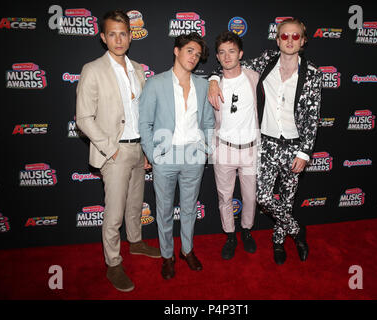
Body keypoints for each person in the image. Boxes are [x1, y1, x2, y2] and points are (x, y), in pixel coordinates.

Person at [208, 18, 322, 265]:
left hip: (294, 147)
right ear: (278, 38)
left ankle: (279, 242)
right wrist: (213, 79)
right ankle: (296, 230)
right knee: (263, 197)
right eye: (284, 36)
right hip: (267, 145)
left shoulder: (313, 73)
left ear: (302, 41)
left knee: (288, 199)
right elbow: (231, 64)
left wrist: (305, 152)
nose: (289, 41)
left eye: (295, 36)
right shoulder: (265, 63)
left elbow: (313, 116)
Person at [76, 10, 161, 292]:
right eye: (112, 33)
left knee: (136, 204)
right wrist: (110, 149)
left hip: (138, 148)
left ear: (130, 35)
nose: (118, 39)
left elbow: (145, 113)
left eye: (123, 33)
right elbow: (83, 118)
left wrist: (147, 149)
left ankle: (135, 242)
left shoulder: (138, 69)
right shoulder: (93, 70)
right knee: (114, 213)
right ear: (103, 37)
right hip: (114, 152)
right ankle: (113, 263)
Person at [139, 33, 215, 279]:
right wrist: (154, 155)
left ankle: (187, 250)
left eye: (197, 53)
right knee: (163, 211)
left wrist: (205, 150)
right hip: (165, 156)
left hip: (194, 155)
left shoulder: (202, 85)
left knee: (190, 208)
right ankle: (167, 255)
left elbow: (208, 121)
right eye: (189, 50)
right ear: (176, 50)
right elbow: (145, 123)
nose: (193, 57)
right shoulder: (156, 83)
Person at [211, 31, 260, 260]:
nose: (227, 56)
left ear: (240, 53)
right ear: (218, 57)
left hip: (251, 149)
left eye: (232, 51)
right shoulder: (214, 83)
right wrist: (212, 80)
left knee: (250, 197)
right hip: (224, 149)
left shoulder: (254, 77)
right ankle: (230, 235)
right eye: (222, 52)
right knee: (225, 197)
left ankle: (247, 231)